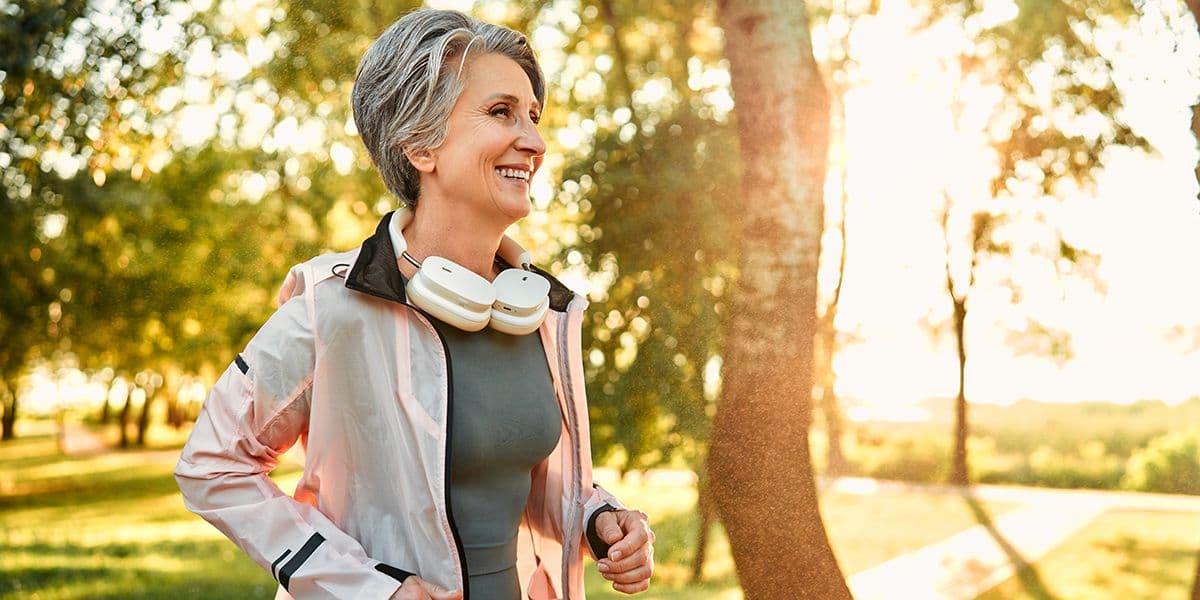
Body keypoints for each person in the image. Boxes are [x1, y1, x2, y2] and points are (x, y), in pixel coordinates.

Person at [174, 8, 654, 600]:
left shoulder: (542, 311)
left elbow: (530, 481)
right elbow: (212, 466)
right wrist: (373, 590)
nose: (534, 140)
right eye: (501, 112)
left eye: (533, 115)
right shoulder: (332, 305)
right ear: (420, 146)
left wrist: (600, 520)